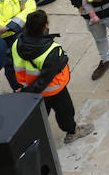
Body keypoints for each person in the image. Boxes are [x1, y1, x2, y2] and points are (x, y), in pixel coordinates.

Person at [10, 11, 93, 143]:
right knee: (65, 111)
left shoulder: (17, 43)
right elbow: (44, 80)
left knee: (39, 115)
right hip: (53, 89)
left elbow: (12, 65)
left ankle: (32, 138)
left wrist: (23, 90)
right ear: (45, 26)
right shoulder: (51, 50)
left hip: (30, 87)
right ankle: (72, 132)